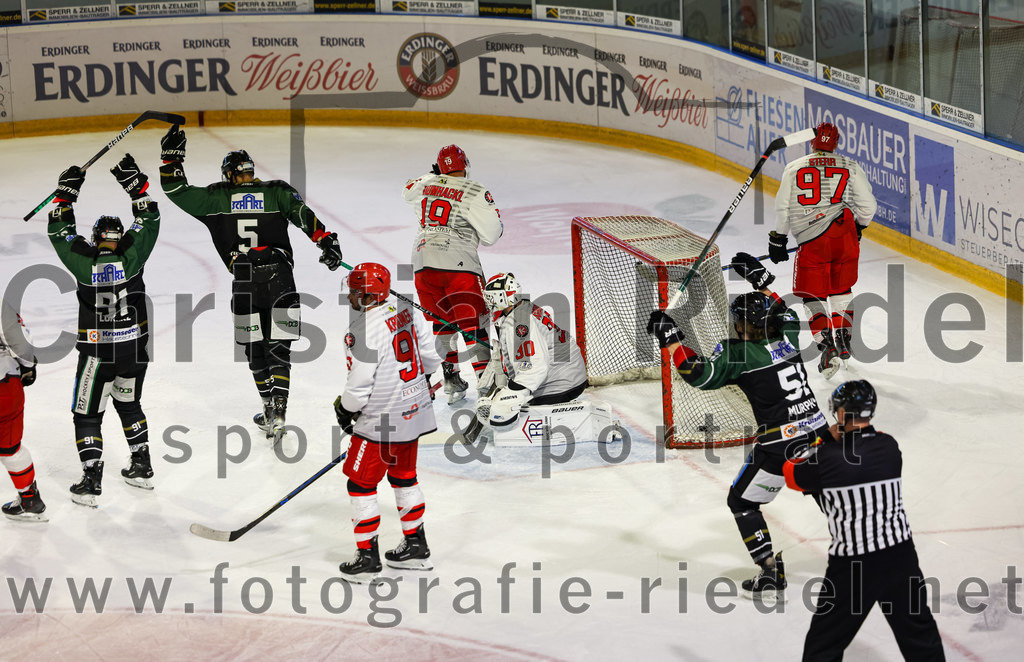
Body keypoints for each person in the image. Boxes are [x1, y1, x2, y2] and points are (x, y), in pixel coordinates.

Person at [647, 252, 829, 599]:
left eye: (739, 322)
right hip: (820, 433)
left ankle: (770, 573)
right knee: (824, 488)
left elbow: (697, 374)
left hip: (781, 446)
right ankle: (862, 549)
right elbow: (784, 310)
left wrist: (671, 337)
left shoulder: (739, 354)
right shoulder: (788, 335)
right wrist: (761, 281)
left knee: (742, 502)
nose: (736, 326)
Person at [159, 126, 343, 444]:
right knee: (280, 347)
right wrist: (326, 241)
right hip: (280, 278)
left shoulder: (216, 198)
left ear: (229, 175)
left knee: (254, 348)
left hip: (243, 281)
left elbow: (176, 190)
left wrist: (171, 158)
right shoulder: (276, 192)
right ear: (251, 172)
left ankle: (269, 409)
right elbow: (303, 214)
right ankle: (280, 412)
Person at [784, 380, 945, 660]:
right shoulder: (890, 447)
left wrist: (823, 438)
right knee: (920, 636)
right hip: (900, 556)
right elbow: (870, 444)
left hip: (853, 566)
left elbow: (790, 472)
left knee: (824, 645)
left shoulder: (825, 459)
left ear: (842, 414)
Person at [47, 155, 159, 507]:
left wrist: (66, 195)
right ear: (118, 237)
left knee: (87, 415)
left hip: (98, 354)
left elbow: (58, 231)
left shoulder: (83, 260)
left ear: (96, 239)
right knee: (129, 403)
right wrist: (136, 186)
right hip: (134, 351)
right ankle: (142, 465)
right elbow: (149, 219)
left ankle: (92, 480)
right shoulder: (132, 256)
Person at [333, 262, 443, 583]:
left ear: (367, 296)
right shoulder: (407, 307)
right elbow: (431, 355)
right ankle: (415, 547)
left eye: (354, 291)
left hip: (381, 419)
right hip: (415, 409)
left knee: (361, 483)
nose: (350, 296)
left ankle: (368, 557)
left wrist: (345, 409)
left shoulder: (360, 331)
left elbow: (359, 385)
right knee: (404, 476)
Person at [768, 121, 877, 378]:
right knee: (841, 289)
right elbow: (868, 206)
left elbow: (783, 208)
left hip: (812, 241)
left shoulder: (794, 167)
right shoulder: (849, 166)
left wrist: (778, 239)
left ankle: (827, 346)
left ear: (812, 142)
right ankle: (844, 338)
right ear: (836, 144)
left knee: (811, 295)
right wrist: (860, 226)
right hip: (844, 236)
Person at [402, 144, 502, 405]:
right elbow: (492, 235)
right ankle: (486, 384)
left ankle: (451, 377)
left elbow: (407, 190)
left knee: (442, 323)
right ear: (465, 165)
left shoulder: (424, 185)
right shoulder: (474, 190)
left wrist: (433, 176)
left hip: (422, 263)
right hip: (458, 263)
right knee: (475, 325)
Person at [474, 272, 589, 433]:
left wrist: (511, 394)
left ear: (501, 297)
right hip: (571, 375)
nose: (489, 302)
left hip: (561, 384)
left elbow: (534, 365)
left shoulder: (517, 321)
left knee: (498, 414)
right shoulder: (523, 308)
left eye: (490, 297)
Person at [0, 299, 45, 521]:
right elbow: (21, 340)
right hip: (4, 388)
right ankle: (29, 498)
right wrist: (27, 368)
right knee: (9, 448)